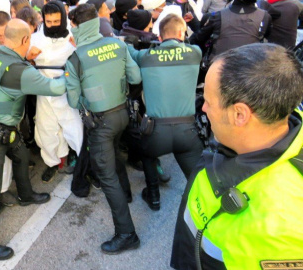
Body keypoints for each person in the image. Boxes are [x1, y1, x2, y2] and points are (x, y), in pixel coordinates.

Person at [171, 43, 303, 269]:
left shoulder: (282, 226)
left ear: (240, 114)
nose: (203, 108)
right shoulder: (240, 133)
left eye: (209, 102)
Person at [0, 19, 66, 260]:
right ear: (25, 40)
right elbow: (55, 88)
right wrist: (74, 72)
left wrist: (26, 60)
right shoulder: (20, 72)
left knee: (22, 156)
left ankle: (25, 195)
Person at [65, 4, 142, 254]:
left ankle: (127, 234)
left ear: (76, 26)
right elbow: (135, 78)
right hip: (122, 114)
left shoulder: (76, 58)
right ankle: (127, 194)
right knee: (115, 156)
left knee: (106, 177)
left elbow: (73, 100)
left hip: (100, 123)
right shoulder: (118, 45)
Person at [126, 14, 203, 211]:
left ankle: (153, 196)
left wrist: (130, 42)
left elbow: (130, 51)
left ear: (159, 37)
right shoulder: (195, 52)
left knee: (147, 153)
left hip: (156, 133)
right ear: (181, 33)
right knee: (197, 182)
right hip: (187, 131)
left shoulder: (146, 57)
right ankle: (202, 206)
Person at [29, 0, 84, 183]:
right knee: (46, 129)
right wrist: (29, 57)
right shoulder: (36, 38)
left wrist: (79, 46)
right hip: (44, 91)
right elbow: (25, 63)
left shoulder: (73, 36)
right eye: (48, 22)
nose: (52, 25)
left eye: (56, 21)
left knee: (74, 127)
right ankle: (52, 162)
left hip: (67, 90)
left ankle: (81, 159)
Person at [190, 0, 272, 60]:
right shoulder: (265, 16)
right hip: (251, 67)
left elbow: (199, 38)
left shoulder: (218, 16)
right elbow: (267, 36)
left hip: (219, 66)